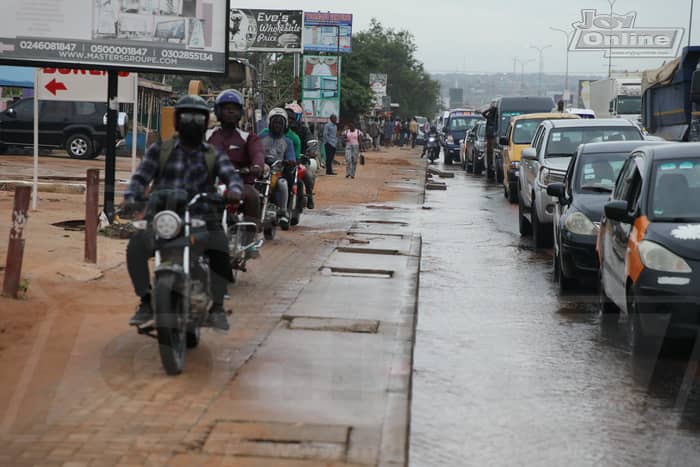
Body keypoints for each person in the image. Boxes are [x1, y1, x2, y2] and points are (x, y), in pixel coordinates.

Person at [122, 95, 243, 331]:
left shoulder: (212, 154)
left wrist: (235, 190)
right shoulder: (160, 150)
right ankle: (146, 300)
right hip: (164, 218)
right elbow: (140, 178)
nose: (192, 122)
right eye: (187, 116)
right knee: (135, 247)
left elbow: (232, 177)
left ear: (206, 121)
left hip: (202, 217)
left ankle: (217, 307)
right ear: (177, 120)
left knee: (220, 248)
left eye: (198, 117)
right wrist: (130, 198)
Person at [207, 89, 264, 259]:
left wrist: (256, 166)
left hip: (240, 183)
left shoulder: (248, 137)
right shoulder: (207, 135)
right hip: (211, 184)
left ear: (241, 112)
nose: (230, 111)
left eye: (234, 108)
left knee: (253, 196)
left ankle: (250, 242)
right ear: (217, 111)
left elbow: (258, 153)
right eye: (226, 108)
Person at [259, 108, 297, 229]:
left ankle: (283, 212)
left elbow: (291, 157)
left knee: (283, 184)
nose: (277, 125)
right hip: (261, 171)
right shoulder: (261, 137)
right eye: (275, 122)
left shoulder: (288, 141)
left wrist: (290, 161)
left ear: (285, 125)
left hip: (278, 172)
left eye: (280, 123)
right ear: (269, 123)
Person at [284, 105, 315, 209]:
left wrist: (310, 151)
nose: (290, 120)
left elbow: (309, 138)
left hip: (299, 160)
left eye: (292, 117)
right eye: (287, 117)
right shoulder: (278, 129)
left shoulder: (303, 130)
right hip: (281, 161)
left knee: (308, 176)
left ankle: (310, 196)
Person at [481, 101, 498, 172]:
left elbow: (483, 113)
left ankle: (490, 164)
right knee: (489, 151)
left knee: (491, 151)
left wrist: (489, 109)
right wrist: (489, 109)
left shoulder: (495, 117)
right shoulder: (490, 116)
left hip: (491, 135)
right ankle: (489, 165)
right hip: (489, 135)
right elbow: (483, 113)